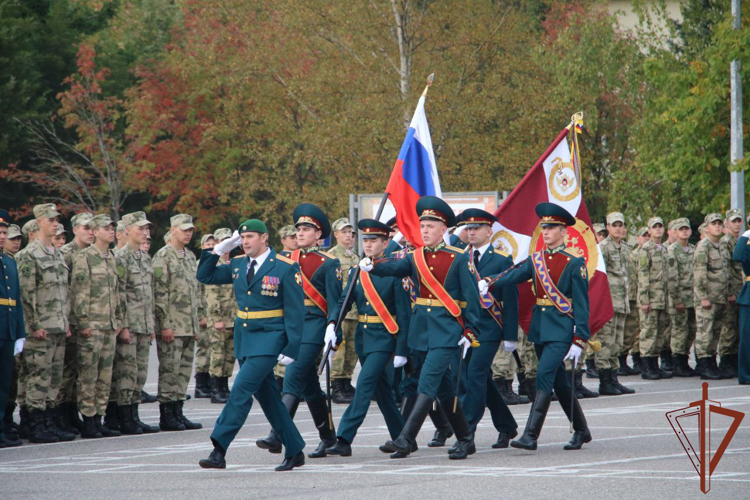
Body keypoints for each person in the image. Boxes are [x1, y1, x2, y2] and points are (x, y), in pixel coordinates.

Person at [360, 196, 482, 460]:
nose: (425, 230)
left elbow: (472, 299)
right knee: (444, 389)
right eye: (422, 225)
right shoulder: (415, 257)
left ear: (444, 229)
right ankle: (465, 438)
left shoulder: (460, 258)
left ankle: (405, 438)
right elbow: (394, 267)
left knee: (426, 382)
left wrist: (470, 331)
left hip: (447, 330)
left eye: (430, 225)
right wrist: (373, 265)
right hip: (421, 330)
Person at [481, 203, 592, 451]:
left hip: (562, 329)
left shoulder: (574, 263)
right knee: (560, 382)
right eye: (544, 227)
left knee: (543, 375)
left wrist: (580, 338)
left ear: (563, 231)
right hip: (541, 328)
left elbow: (582, 304)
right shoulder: (537, 259)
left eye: (551, 227)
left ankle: (531, 434)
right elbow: (514, 274)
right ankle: (582, 431)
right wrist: (490, 282)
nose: (546, 231)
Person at [197, 219, 306, 471]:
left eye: (251, 237)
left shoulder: (284, 267)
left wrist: (292, 346)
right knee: (269, 399)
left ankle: (219, 449)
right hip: (245, 339)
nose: (245, 242)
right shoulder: (237, 264)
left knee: (241, 391)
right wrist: (217, 250)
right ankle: (295, 449)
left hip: (270, 340)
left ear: (264, 238)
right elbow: (205, 275)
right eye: (242, 238)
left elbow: (295, 310)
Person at [256, 203, 342, 459]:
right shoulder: (284, 260)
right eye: (299, 229)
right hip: (291, 326)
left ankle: (277, 434)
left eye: (307, 229)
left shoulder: (329, 263)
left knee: (292, 376)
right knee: (310, 387)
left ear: (319, 235)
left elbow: (336, 301)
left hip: (315, 326)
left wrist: (332, 327)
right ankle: (328, 437)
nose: (301, 233)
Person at [323, 218, 411, 457]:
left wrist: (402, 349)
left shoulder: (395, 270)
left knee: (363, 386)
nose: (369, 244)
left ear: (385, 243)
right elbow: (344, 301)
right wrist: (333, 323)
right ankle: (403, 437)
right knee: (381, 390)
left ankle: (344, 438)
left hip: (385, 338)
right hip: (363, 337)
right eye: (366, 240)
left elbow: (403, 314)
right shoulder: (357, 270)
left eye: (374, 240)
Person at [453, 208, 520, 450]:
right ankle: (507, 426)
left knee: (475, 375)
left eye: (476, 228)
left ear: (489, 231)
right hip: (466, 328)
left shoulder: (501, 259)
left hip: (490, 327)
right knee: (479, 379)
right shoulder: (460, 255)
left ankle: (467, 433)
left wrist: (510, 336)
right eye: (468, 229)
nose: (470, 232)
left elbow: (510, 298)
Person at [17, 204, 75, 443]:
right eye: (50, 220)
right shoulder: (29, 255)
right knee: (37, 376)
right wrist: (33, 325)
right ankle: (34, 423)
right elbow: (26, 295)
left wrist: (66, 322)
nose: (55, 223)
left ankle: (48, 419)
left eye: (56, 219)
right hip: (40, 328)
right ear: (39, 222)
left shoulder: (58, 254)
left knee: (53, 377)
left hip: (58, 326)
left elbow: (65, 292)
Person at [71, 214, 123, 439]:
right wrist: (82, 322)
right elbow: (79, 292)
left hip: (109, 325)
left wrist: (118, 319)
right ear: (95, 231)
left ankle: (99, 417)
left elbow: (116, 292)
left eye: (112, 227)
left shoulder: (111, 256)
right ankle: (89, 419)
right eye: (106, 228)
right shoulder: (85, 257)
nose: (111, 231)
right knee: (88, 375)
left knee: (105, 375)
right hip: (92, 324)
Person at [152, 214, 203, 431]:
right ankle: (167, 414)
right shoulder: (162, 256)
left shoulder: (190, 256)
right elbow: (159, 293)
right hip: (172, 323)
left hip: (188, 325)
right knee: (169, 370)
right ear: (173, 230)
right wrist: (164, 324)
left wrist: (197, 321)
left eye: (190, 230)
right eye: (184, 230)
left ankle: (178, 411)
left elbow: (195, 290)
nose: (188, 234)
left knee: (183, 371)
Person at [114, 211, 159, 434]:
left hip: (143, 325)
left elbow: (148, 294)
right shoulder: (120, 258)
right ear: (128, 230)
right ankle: (124, 417)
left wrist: (150, 323)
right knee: (127, 373)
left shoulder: (144, 257)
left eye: (147, 229)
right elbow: (118, 294)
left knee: (140, 373)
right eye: (141, 228)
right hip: (129, 326)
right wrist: (122, 325)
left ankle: (134, 415)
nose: (145, 232)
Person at [58, 212, 94, 434]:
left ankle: (73, 414)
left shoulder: (94, 254)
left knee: (83, 372)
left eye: (93, 228)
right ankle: (63, 415)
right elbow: (66, 290)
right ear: (75, 229)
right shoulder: (67, 253)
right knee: (68, 371)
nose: (90, 231)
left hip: (90, 320)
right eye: (86, 227)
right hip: (72, 320)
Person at [596, 213, 634, 395]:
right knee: (606, 341)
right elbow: (598, 276)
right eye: (615, 225)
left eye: (621, 225)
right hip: (608, 302)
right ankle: (605, 381)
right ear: (608, 227)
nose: (619, 228)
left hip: (621, 301)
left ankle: (613, 378)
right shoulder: (602, 248)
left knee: (618, 342)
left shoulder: (625, 248)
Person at [693, 213, 729, 380]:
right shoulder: (703, 246)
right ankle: (703, 364)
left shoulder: (720, 245)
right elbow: (699, 274)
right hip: (707, 298)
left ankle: (712, 361)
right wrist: (703, 296)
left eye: (719, 224)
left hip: (719, 297)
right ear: (707, 227)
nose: (717, 226)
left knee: (715, 332)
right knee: (704, 332)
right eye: (713, 224)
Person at [0, 210, 25, 448]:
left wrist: (20, 333)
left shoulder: (9, 262)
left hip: (7, 330)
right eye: (0, 232)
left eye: (5, 232)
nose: (2, 236)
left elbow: (15, 300)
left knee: (4, 383)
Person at [329, 218, 360, 404]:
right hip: (341, 312)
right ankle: (336, 385)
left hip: (356, 311)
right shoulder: (332, 257)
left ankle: (346, 381)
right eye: (345, 232)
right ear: (336, 234)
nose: (349, 235)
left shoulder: (356, 258)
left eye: (351, 232)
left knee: (352, 349)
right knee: (339, 349)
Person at [638, 217, 673, 380]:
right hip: (651, 298)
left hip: (662, 299)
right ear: (649, 230)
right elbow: (643, 275)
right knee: (648, 332)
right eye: (654, 227)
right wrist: (644, 300)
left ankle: (654, 365)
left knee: (659, 333)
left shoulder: (664, 249)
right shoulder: (646, 249)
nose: (658, 229)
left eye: (660, 226)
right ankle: (647, 366)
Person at [204, 228, 236, 404]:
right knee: (218, 353)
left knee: (229, 354)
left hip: (234, 317)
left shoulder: (233, 264)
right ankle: (216, 388)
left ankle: (224, 386)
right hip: (220, 319)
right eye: (223, 241)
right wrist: (217, 319)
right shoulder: (214, 265)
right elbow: (212, 296)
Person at [667, 218, 697, 377]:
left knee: (691, 330)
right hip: (679, 298)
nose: (684, 231)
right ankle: (677, 362)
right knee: (679, 331)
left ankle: (684, 360)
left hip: (693, 297)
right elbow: (672, 277)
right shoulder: (672, 251)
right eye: (681, 229)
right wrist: (676, 299)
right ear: (675, 232)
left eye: (687, 229)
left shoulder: (693, 249)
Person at [719, 209, 743, 378]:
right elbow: (724, 269)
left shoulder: (740, 241)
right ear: (726, 224)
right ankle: (725, 361)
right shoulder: (725, 242)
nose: (736, 224)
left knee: (736, 327)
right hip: (731, 292)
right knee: (728, 327)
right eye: (733, 221)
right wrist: (728, 292)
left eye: (738, 221)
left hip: (741, 291)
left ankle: (734, 360)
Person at [193, 234, 215, 399]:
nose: (211, 246)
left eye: (213, 244)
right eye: (207, 244)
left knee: (213, 349)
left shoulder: (216, 263)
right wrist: (201, 314)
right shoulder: (199, 265)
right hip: (204, 314)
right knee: (204, 349)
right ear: (202, 247)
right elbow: (197, 292)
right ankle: (200, 385)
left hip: (214, 314)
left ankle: (208, 382)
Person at [732, 218, 750, 385]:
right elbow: (737, 256)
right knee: (747, 336)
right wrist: (746, 235)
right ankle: (746, 374)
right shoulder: (747, 240)